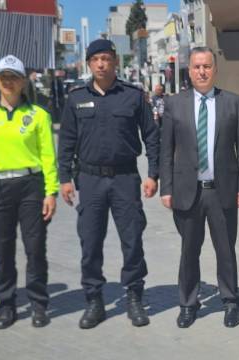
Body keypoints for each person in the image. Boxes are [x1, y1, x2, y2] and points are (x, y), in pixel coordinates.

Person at [58, 39, 159, 329]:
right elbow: (66, 142)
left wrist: (153, 174)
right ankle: (94, 300)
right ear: (89, 64)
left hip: (125, 178)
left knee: (132, 240)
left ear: (115, 61)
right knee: (90, 242)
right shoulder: (76, 98)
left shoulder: (133, 96)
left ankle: (134, 297)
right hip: (89, 180)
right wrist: (65, 178)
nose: (101, 64)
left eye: (106, 58)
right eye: (95, 59)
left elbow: (151, 136)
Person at [160, 47, 239, 328]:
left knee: (226, 250)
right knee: (189, 250)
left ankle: (231, 301)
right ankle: (188, 303)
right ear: (190, 70)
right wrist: (167, 187)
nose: (202, 71)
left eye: (207, 66)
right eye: (197, 66)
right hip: (187, 191)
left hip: (222, 190)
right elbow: (166, 150)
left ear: (215, 69)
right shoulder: (174, 104)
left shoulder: (233, 103)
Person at [0, 55, 58, 329]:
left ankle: (39, 303)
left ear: (23, 81)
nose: (8, 82)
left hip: (31, 187)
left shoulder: (38, 115)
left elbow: (47, 156)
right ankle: (6, 304)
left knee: (35, 249)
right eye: (3, 77)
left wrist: (51, 192)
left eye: (14, 77)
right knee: (3, 250)